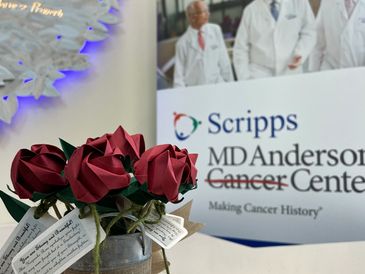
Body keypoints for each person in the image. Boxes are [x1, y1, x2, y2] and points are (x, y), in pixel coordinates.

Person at [233, 0, 316, 80]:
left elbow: (310, 32)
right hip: (259, 76)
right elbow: (240, 49)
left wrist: (300, 53)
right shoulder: (250, 11)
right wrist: (246, 79)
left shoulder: (299, 2)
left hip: (291, 72)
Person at [173, 0, 233, 88]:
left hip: (218, 86)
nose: (208, 14)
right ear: (192, 17)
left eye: (207, 10)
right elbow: (178, 78)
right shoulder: (182, 44)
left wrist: (231, 86)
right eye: (203, 12)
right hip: (195, 91)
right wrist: (181, 99)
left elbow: (224, 61)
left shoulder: (215, 30)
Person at [309, 0, 365, 71]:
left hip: (359, 72)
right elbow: (317, 43)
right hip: (331, 70)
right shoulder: (327, 3)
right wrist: (313, 73)